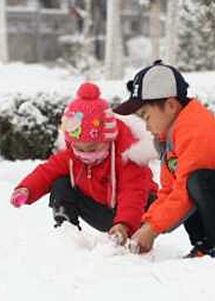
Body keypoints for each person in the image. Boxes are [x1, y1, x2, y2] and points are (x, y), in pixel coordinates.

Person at [113, 61, 215, 260]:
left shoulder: (197, 130)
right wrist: (146, 226)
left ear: (170, 105)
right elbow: (169, 191)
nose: (146, 126)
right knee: (189, 184)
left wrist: (152, 230)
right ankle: (205, 245)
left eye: (146, 116)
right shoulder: (170, 140)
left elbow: (185, 190)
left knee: (195, 181)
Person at [10, 82, 157, 243]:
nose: (85, 154)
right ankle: (67, 232)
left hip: (138, 213)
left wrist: (124, 224)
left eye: (92, 148)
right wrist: (26, 189)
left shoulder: (128, 155)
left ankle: (133, 237)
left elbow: (133, 193)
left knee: (145, 201)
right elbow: (46, 172)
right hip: (100, 209)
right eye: (79, 148)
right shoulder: (72, 156)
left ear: (108, 139)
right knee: (60, 183)